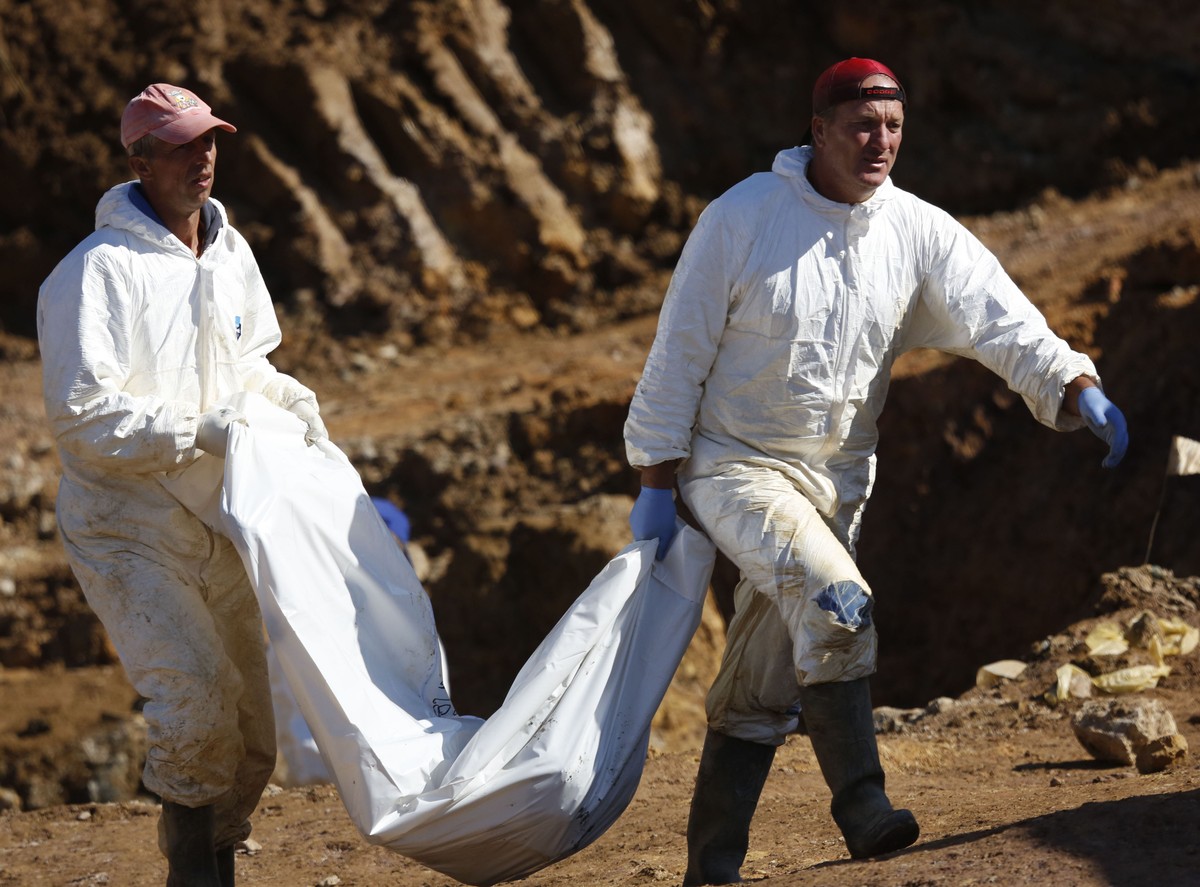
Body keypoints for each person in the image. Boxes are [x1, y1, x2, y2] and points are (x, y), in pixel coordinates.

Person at [623, 58, 1128, 885]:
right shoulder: (743, 218)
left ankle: (710, 867)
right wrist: (655, 474)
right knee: (839, 602)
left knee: (762, 679)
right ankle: (863, 805)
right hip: (737, 466)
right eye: (861, 125)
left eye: (893, 126)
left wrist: (1073, 382)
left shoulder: (915, 229)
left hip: (838, 483)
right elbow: (679, 349)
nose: (879, 141)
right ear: (818, 130)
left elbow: (998, 314)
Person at [38, 83, 330, 887]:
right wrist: (189, 431)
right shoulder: (93, 276)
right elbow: (82, 418)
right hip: (126, 523)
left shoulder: (231, 254)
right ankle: (193, 877)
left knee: (249, 731)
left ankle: (217, 862)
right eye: (180, 146)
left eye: (210, 141)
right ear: (139, 161)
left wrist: (288, 401)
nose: (202, 158)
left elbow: (247, 364)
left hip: (217, 514)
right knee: (196, 704)